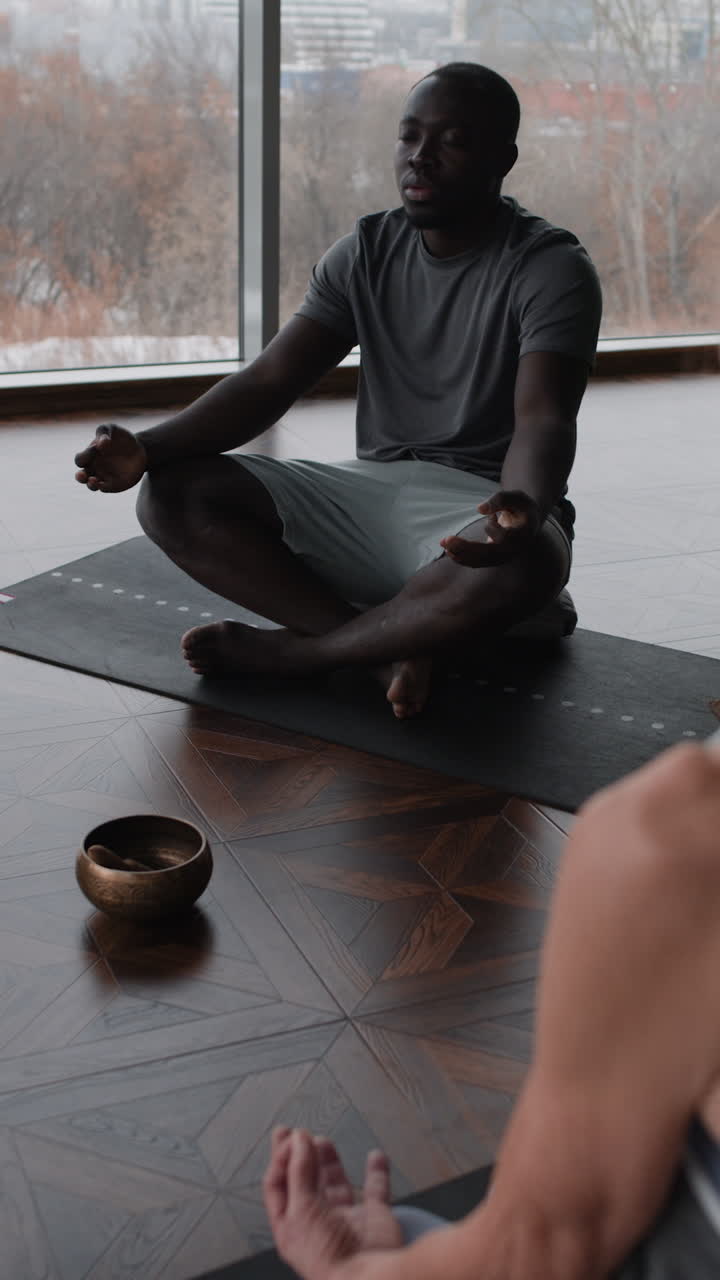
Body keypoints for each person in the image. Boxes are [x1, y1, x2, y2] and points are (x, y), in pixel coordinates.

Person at [74, 62, 602, 720]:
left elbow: (544, 421)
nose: (421, 157)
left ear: (503, 158)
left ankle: (305, 654)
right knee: (174, 494)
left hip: (479, 512)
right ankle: (386, 646)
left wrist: (520, 509)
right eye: (409, 137)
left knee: (531, 567)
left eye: (453, 141)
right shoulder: (365, 250)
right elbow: (269, 380)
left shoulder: (550, 267)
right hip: (374, 493)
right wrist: (147, 450)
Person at [262, 735, 720, 1280]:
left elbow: (543, 1249)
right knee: (405, 1231)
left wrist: (348, 1274)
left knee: (390, 1238)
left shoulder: (674, 840)